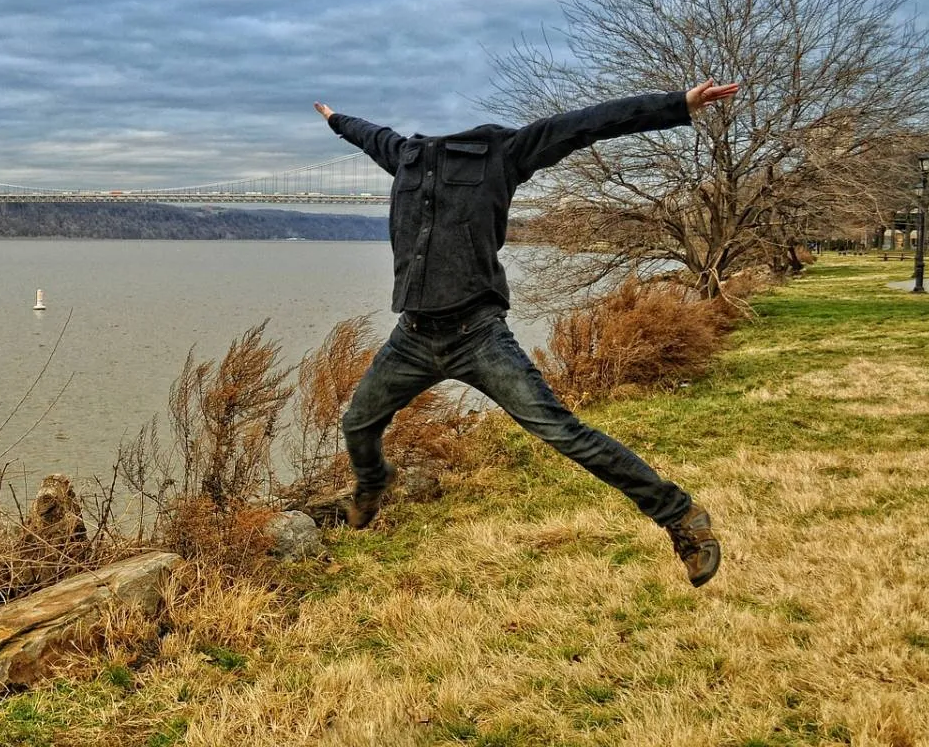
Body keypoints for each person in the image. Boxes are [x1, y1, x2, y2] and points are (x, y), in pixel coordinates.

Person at [314, 80, 739, 587]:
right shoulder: (406, 155)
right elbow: (371, 134)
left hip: (478, 336)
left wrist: (676, 104)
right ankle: (371, 485)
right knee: (358, 423)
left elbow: (587, 124)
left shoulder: (503, 152)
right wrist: (339, 122)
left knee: (564, 432)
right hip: (412, 337)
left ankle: (680, 517)